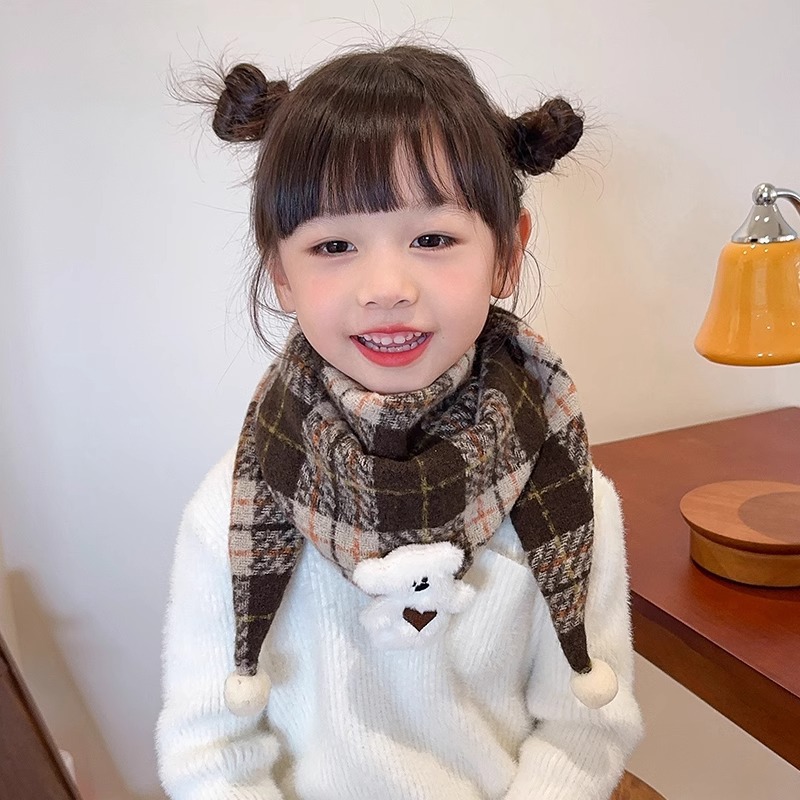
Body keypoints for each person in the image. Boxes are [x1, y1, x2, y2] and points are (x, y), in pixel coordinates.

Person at [156, 43, 643, 800]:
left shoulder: (570, 499)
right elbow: (210, 753)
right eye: (333, 245)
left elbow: (583, 735)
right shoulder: (229, 512)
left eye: (433, 239)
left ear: (507, 254)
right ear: (281, 272)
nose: (386, 287)